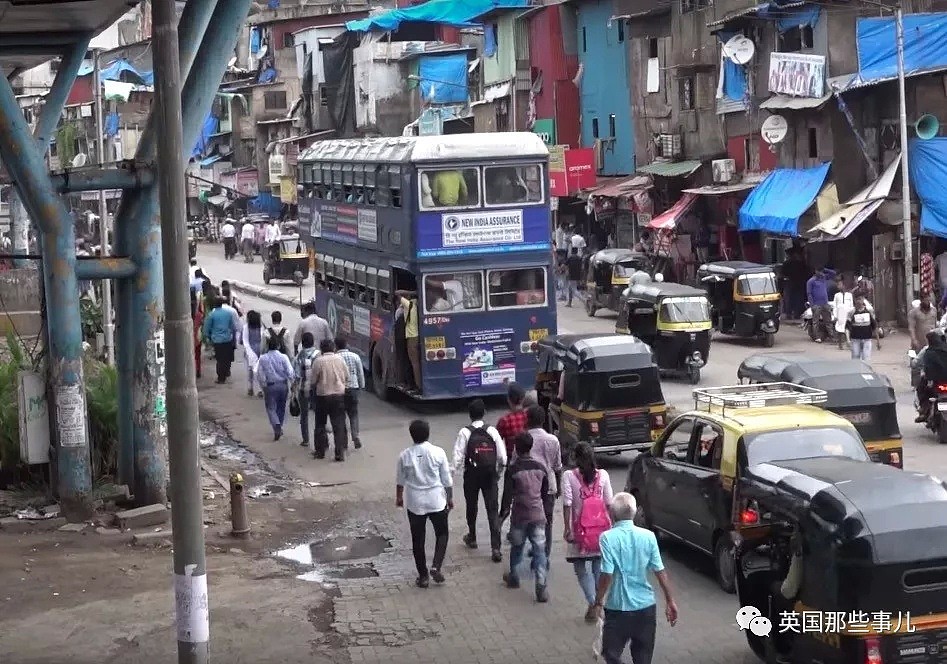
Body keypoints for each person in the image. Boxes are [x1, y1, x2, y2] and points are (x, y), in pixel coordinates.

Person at [593, 493, 678, 664]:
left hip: (618, 608)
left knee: (610, 653)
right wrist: (670, 601)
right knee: (643, 657)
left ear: (612, 514)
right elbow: (660, 571)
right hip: (646, 607)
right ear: (634, 513)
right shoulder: (648, 536)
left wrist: (598, 600)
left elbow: (606, 574)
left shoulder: (607, 538)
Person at [396, 419, 453, 588]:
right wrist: (450, 498)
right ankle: (436, 565)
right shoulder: (438, 452)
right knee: (442, 534)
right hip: (436, 500)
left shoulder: (404, 455)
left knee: (418, 540)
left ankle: (423, 576)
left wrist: (399, 498)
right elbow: (447, 480)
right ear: (428, 433)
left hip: (415, 503)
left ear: (411, 435)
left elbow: (400, 481)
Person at [563, 442, 614, 622]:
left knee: (579, 567)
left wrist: (567, 529)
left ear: (576, 458)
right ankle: (599, 603)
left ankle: (593, 603)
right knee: (597, 567)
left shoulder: (569, 476)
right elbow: (609, 503)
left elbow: (567, 504)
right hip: (601, 531)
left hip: (580, 532)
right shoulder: (604, 475)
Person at [452, 399, 506, 563]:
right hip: (490, 475)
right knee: (492, 510)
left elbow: (457, 458)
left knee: (471, 505)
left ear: (470, 415)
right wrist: (498, 473)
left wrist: (455, 474)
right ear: (484, 413)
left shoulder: (464, 432)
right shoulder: (492, 431)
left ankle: (472, 536)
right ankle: (495, 547)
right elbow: (503, 458)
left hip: (472, 475)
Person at [499, 432, 550, 603]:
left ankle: (514, 576)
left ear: (516, 448)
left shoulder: (513, 470)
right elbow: (544, 493)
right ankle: (541, 586)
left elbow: (507, 496)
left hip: (520, 515)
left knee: (517, 547)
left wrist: (501, 517)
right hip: (538, 514)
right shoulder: (541, 468)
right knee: (539, 550)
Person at [521, 405, 562, 561]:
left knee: (530, 519)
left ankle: (535, 546)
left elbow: (515, 463)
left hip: (528, 486)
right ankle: (545, 553)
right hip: (548, 486)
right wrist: (558, 486)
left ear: (528, 420)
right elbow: (557, 466)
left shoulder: (524, 439)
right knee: (547, 521)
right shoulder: (553, 440)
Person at [310, 338, 349, 461]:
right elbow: (347, 376)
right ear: (333, 348)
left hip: (322, 396)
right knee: (338, 424)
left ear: (321, 349)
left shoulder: (318, 361)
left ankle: (320, 451)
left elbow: (313, 380)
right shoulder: (340, 359)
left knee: (320, 424)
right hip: (338, 395)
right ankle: (339, 452)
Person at [256, 339, 295, 440]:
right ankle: (280, 425)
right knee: (281, 407)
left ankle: (276, 425)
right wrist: (293, 383)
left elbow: (260, 374)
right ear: (278, 346)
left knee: (271, 408)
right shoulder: (283, 357)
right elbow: (290, 371)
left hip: (270, 386)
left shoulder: (263, 358)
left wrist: (263, 385)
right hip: (283, 385)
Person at [335, 337, 365, 450]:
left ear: (336, 346)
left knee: (341, 416)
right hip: (353, 389)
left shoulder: (335, 358)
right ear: (346, 344)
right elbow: (360, 373)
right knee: (353, 414)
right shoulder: (355, 356)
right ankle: (355, 436)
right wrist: (361, 387)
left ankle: (344, 441)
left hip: (340, 390)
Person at [292, 332, 319, 449]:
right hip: (317, 389)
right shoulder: (319, 354)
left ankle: (306, 439)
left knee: (304, 416)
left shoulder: (299, 356)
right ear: (313, 342)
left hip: (303, 389)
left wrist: (293, 389)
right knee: (319, 415)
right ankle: (322, 439)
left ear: (302, 343)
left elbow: (297, 375)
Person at [203, 296, 238, 383]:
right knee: (226, 358)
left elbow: (207, 328)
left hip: (217, 340)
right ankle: (226, 372)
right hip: (227, 339)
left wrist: (207, 337)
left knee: (219, 359)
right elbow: (233, 326)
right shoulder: (228, 313)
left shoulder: (211, 314)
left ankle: (220, 378)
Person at [917, 330, 947, 422]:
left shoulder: (928, 352)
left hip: (934, 380)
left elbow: (922, 364)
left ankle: (924, 409)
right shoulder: (945, 349)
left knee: (921, 388)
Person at [396, 289, 421, 391]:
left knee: (414, 363)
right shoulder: (415, 305)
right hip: (416, 336)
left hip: (411, 337)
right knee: (415, 362)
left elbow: (396, 293)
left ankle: (418, 386)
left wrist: (409, 292)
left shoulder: (409, 305)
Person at [496, 382, 529, 459]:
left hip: (511, 459)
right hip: (529, 456)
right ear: (523, 398)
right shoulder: (529, 416)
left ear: (508, 400)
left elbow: (497, 442)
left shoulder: (504, 420)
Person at [240, 310, 264, 397]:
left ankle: (250, 387)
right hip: (260, 350)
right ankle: (261, 389)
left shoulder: (246, 327)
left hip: (250, 350)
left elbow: (243, 341)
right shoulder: (261, 327)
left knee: (250, 369)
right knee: (260, 370)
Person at [847, 295, 878, 361]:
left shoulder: (869, 311)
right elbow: (847, 327)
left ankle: (866, 371)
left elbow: (874, 326)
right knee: (855, 358)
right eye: (857, 299)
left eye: (860, 299)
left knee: (866, 358)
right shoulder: (851, 312)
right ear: (854, 300)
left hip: (867, 339)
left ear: (863, 300)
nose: (858, 301)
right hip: (855, 339)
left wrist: (878, 341)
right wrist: (848, 340)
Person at [806, 268, 833, 342]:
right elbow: (809, 294)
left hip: (825, 303)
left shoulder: (823, 278)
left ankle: (831, 336)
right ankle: (816, 337)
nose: (821, 273)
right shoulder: (811, 281)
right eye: (819, 271)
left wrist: (825, 269)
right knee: (816, 322)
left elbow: (833, 274)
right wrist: (812, 305)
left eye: (821, 271)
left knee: (828, 321)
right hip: (816, 304)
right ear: (816, 271)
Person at [832, 278, 854, 350]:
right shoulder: (836, 295)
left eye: (840, 285)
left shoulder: (849, 295)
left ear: (844, 286)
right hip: (840, 313)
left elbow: (851, 305)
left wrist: (851, 313)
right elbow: (835, 306)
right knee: (840, 329)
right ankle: (840, 344)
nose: (838, 286)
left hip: (847, 313)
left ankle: (848, 341)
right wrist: (835, 315)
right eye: (838, 285)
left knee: (847, 327)